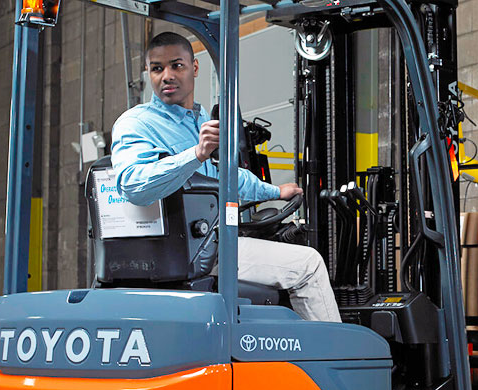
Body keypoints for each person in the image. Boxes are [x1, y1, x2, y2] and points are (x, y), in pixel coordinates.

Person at [111, 32, 340, 322]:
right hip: (192, 250)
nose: (167, 76)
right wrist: (196, 153)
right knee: (308, 264)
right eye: (157, 68)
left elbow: (223, 175)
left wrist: (274, 192)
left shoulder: (199, 119)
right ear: (148, 73)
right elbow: (134, 185)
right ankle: (330, 362)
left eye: (176, 65)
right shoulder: (137, 122)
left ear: (194, 68)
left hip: (208, 242)